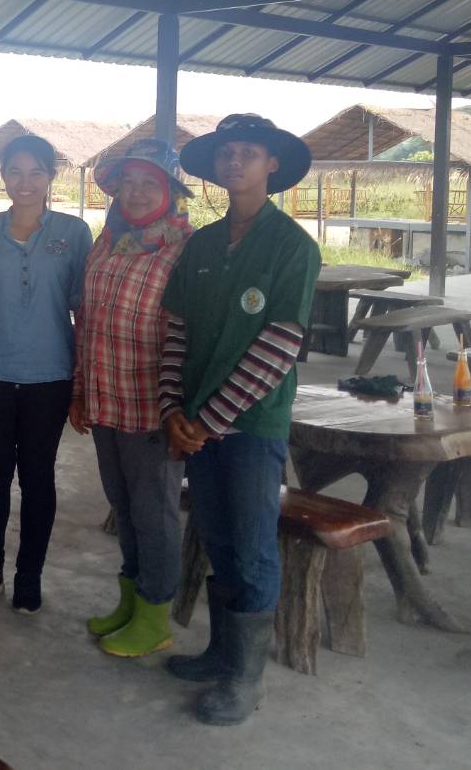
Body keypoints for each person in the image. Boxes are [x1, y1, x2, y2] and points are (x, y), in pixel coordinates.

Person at [159, 114, 319, 726]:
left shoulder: (292, 247)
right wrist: (174, 409)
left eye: (248, 153)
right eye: (227, 153)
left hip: (251, 427)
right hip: (196, 421)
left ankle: (247, 679)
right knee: (218, 538)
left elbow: (279, 345)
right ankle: (222, 653)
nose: (235, 162)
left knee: (253, 547)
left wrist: (209, 420)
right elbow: (175, 331)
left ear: (272, 164)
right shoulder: (201, 244)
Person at [0, 135, 92, 615]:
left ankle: (29, 574)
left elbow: (83, 311)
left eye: (36, 172)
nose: (25, 182)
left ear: (51, 176)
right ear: (3, 177)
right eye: (15, 171)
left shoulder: (74, 233)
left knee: (38, 476)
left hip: (50, 377)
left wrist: (81, 382)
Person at [69, 138, 195, 655]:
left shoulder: (185, 249)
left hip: (152, 407)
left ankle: (155, 618)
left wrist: (180, 408)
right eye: (129, 182)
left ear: (170, 192)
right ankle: (132, 599)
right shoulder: (108, 242)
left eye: (150, 183)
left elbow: (190, 335)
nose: (137, 192)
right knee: (122, 507)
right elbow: (87, 321)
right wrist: (80, 391)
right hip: (106, 400)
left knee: (154, 514)